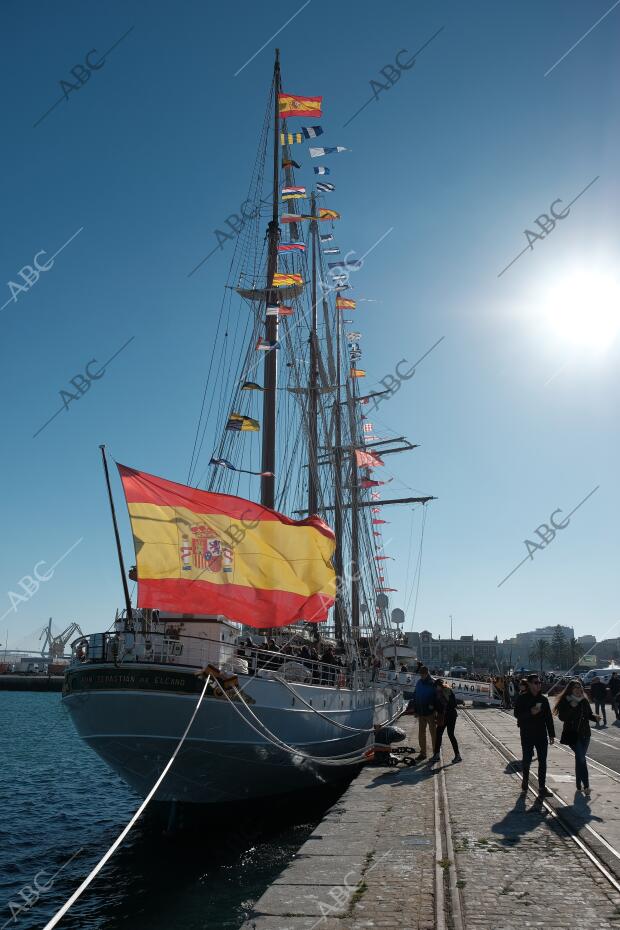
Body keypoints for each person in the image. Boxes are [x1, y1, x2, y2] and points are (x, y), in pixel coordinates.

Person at [554, 678, 599, 797]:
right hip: (572, 734)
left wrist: (595, 717)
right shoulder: (566, 700)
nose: (579, 690)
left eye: (580, 688)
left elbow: (589, 714)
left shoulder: (584, 700)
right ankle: (586, 786)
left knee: (580, 759)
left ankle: (578, 784)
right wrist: (572, 706)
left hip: (585, 734)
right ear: (571, 690)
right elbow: (562, 717)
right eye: (576, 688)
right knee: (581, 759)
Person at [514, 673, 555, 800]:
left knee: (543, 761)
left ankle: (542, 787)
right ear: (530, 684)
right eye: (536, 682)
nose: (539, 684)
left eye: (539, 682)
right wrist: (530, 713)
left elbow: (549, 717)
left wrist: (552, 734)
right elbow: (517, 714)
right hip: (527, 734)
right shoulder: (522, 698)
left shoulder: (543, 700)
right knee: (526, 760)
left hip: (541, 734)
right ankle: (525, 780)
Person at [431, 680, 461, 763]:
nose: (435, 689)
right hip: (447, 715)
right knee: (440, 734)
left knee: (448, 734)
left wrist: (441, 707)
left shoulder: (445, 692)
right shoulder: (441, 692)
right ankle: (438, 754)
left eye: (436, 687)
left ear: (439, 686)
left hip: (449, 715)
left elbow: (453, 704)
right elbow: (438, 705)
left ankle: (457, 756)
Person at [413, 666, 436, 760]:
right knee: (421, 733)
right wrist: (415, 710)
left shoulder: (432, 682)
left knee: (433, 733)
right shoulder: (419, 682)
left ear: (427, 673)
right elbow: (415, 695)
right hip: (421, 711)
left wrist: (432, 704)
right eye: (420, 674)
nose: (421, 676)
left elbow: (436, 695)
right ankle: (423, 753)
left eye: (423, 674)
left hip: (430, 712)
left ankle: (436, 752)